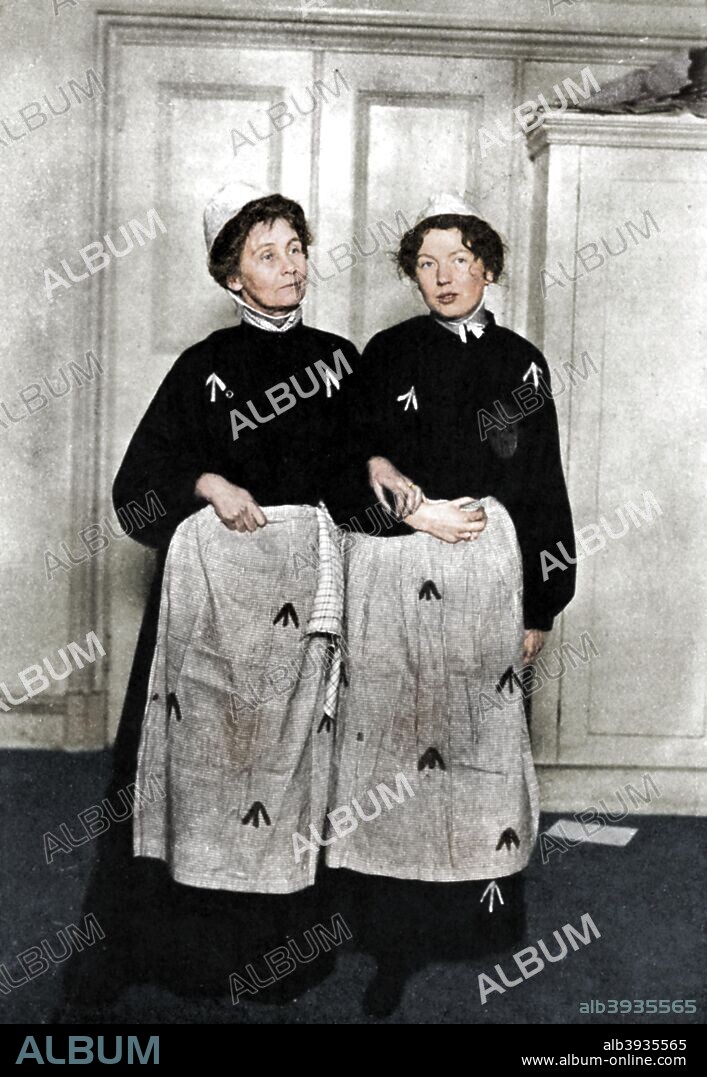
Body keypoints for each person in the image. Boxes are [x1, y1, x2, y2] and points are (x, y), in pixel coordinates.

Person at [57, 183, 359, 1016]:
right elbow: (134, 495)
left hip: (305, 611)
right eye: (267, 253)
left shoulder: (342, 361)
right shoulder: (202, 368)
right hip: (212, 612)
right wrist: (205, 482)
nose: (289, 265)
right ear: (231, 276)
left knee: (291, 774)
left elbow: (363, 483)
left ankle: (278, 954)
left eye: (295, 248)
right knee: (192, 773)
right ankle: (172, 952)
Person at [327, 193, 577, 1017]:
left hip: (486, 575)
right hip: (393, 569)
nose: (442, 277)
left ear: (488, 268)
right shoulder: (386, 352)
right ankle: (385, 935)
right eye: (426, 263)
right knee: (394, 742)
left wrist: (541, 603)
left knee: (476, 739)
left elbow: (541, 485)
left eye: (459, 260)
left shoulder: (521, 363)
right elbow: (348, 461)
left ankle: (474, 922)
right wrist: (399, 496)